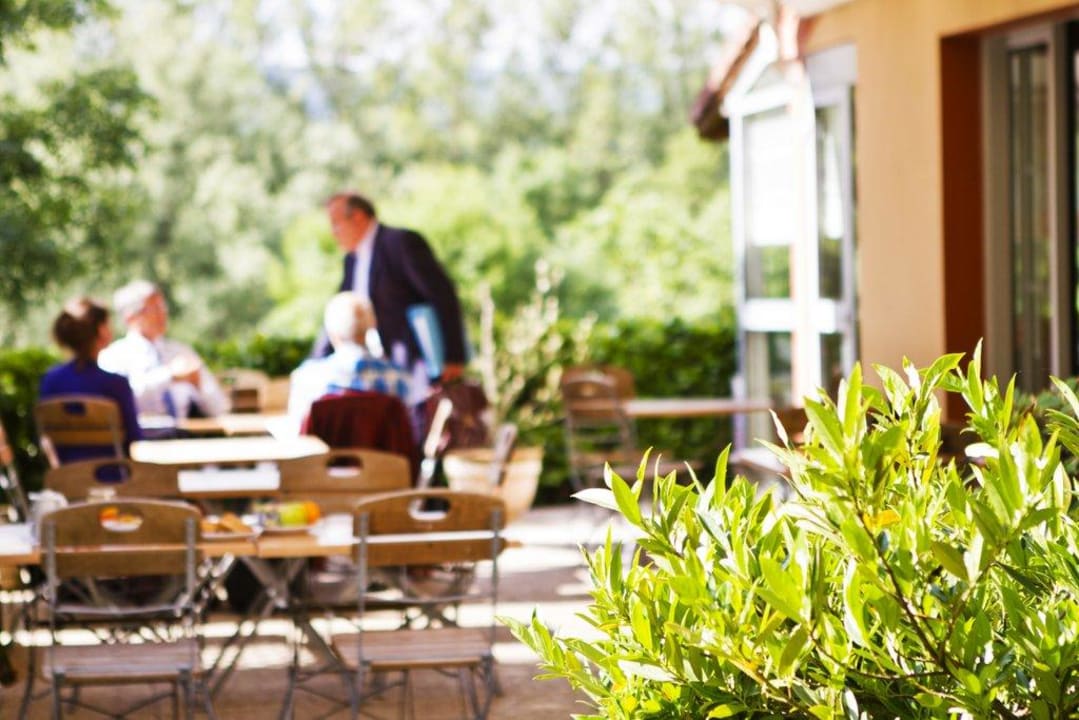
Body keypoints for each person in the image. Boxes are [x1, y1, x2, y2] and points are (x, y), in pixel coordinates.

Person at [317, 192, 467, 384]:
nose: (333, 232)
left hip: (414, 368)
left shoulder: (401, 242)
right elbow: (338, 316)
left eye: (335, 223)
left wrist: (453, 356)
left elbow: (442, 295)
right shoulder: (351, 260)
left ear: (358, 217)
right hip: (373, 371)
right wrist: (315, 362)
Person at [98, 280, 228, 420]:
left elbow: (220, 407)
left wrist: (200, 386)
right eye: (154, 308)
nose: (163, 313)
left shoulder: (181, 352)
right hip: (139, 438)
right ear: (131, 317)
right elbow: (119, 401)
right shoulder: (113, 357)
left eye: (163, 307)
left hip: (185, 437)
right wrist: (169, 376)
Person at [289, 291, 412, 430]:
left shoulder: (307, 378)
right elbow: (407, 434)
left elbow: (298, 431)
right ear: (372, 325)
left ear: (331, 332)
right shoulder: (401, 377)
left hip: (328, 452)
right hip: (386, 452)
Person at [38, 297, 142, 462]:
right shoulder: (116, 384)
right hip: (112, 476)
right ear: (101, 330)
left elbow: (46, 437)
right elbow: (134, 437)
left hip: (67, 478)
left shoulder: (50, 381)